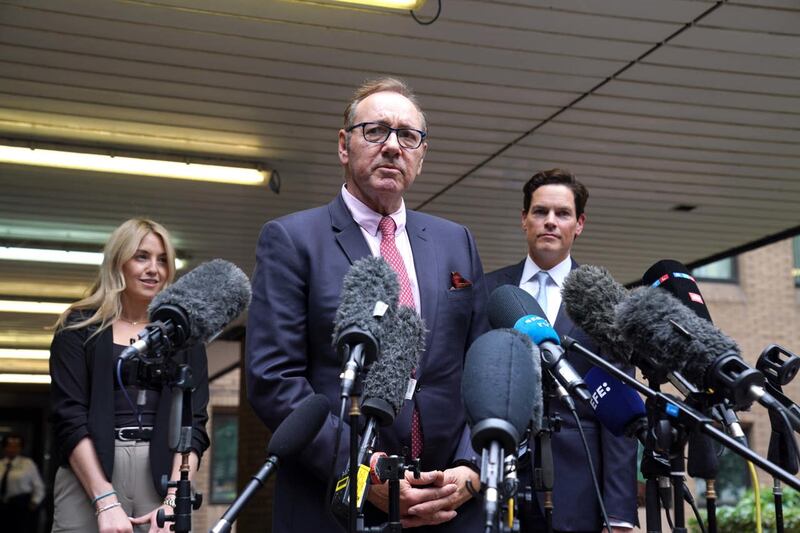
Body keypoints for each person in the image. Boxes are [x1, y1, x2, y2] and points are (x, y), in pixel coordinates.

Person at [246, 76, 489, 532]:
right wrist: (362, 470)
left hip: (450, 504)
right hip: (336, 503)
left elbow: (483, 366)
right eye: (375, 131)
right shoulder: (293, 240)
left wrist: (471, 466)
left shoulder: (456, 241)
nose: (393, 146)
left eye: (408, 136)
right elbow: (273, 379)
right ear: (344, 145)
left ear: (421, 154)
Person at [485, 169, 638, 532]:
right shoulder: (488, 291)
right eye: (540, 212)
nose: (550, 222)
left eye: (562, 213)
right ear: (524, 219)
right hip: (498, 478)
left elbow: (619, 409)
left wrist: (618, 514)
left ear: (579, 223)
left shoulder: (605, 299)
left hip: (579, 486)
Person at [49, 218, 210, 533]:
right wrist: (105, 500)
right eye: (142, 257)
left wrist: (175, 498)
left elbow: (195, 424)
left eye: (162, 260)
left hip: (162, 474)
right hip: (90, 472)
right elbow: (70, 417)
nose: (154, 269)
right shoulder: (77, 327)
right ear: (117, 262)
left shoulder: (185, 335)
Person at [0, 433, 45, 532]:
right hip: (3, 506)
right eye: (9, 446)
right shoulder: (1, 464)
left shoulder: (27, 464)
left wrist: (34, 502)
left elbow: (38, 486)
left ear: (20, 448)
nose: (12, 449)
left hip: (21, 505)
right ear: (4, 448)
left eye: (16, 446)